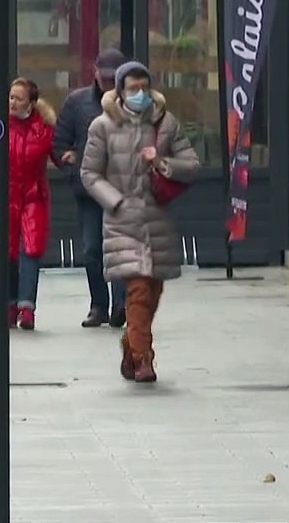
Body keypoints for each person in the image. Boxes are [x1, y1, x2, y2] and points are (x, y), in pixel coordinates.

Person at [80, 61, 199, 383]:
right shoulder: (102, 127)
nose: (141, 94)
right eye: (133, 88)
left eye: (145, 87)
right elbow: (89, 173)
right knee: (138, 292)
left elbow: (191, 164)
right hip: (122, 223)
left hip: (156, 219)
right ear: (120, 91)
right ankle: (144, 360)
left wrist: (160, 162)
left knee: (153, 293)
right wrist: (114, 201)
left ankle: (129, 345)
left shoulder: (165, 123)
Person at [0, 77, 58, 330]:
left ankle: (26, 307)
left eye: (18, 98)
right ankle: (9, 304)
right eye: (11, 96)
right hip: (4, 196)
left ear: (32, 103)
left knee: (31, 249)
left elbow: (60, 153)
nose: (12, 102)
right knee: (6, 251)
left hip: (33, 196)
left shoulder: (44, 129)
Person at [53, 48, 129, 329]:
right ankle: (99, 305)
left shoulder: (132, 102)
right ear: (94, 71)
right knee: (91, 250)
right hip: (89, 190)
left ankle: (121, 304)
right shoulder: (77, 102)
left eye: (113, 78)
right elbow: (59, 143)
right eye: (104, 77)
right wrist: (73, 171)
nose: (107, 83)